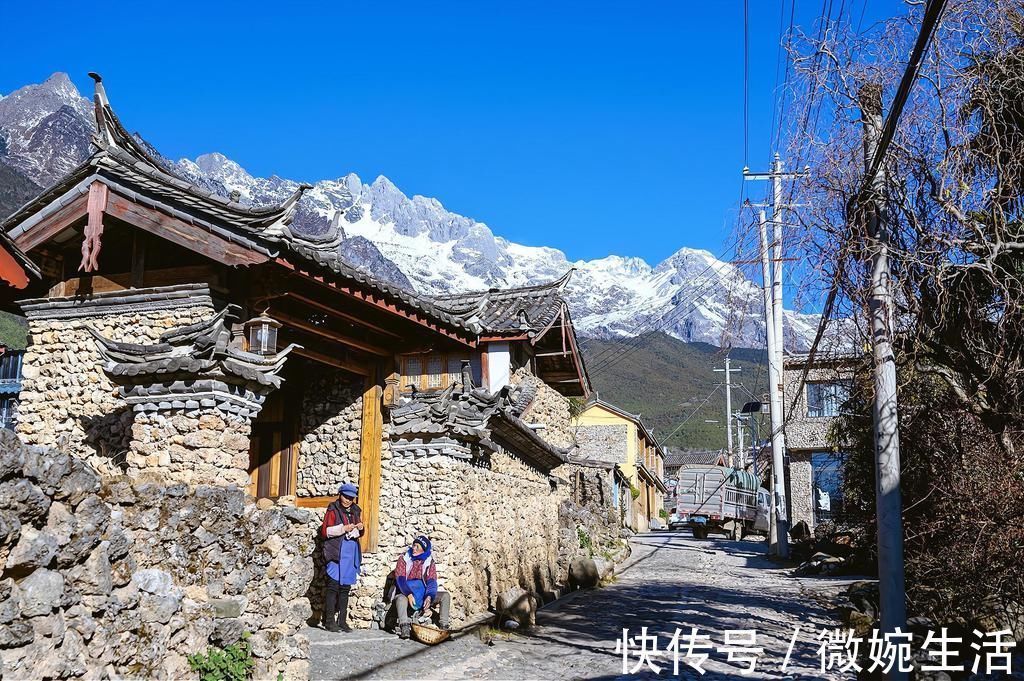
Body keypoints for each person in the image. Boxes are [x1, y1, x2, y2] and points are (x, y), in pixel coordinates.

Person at [320, 482, 364, 632]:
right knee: (333, 587)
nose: (348, 500)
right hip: (336, 552)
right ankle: (329, 621)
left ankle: (342, 621)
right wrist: (343, 529)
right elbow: (325, 532)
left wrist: (360, 529)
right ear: (340, 495)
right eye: (346, 497)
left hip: (350, 554)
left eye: (351, 498)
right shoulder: (333, 509)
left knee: (345, 588)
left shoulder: (356, 510)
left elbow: (360, 532)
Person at [392, 535, 450, 638]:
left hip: (423, 593)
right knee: (400, 599)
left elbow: (432, 581)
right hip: (406, 592)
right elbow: (400, 579)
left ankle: (444, 626)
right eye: (414, 545)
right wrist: (408, 594)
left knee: (445, 596)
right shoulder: (404, 559)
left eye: (417, 547)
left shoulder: (429, 562)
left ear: (423, 549)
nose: (414, 548)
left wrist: (429, 596)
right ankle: (404, 626)